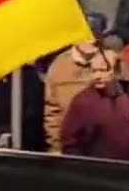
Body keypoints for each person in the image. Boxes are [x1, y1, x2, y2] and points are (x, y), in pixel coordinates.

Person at [59, 49, 129, 161]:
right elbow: (69, 142)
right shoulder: (83, 101)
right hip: (96, 170)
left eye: (103, 70)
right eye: (94, 71)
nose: (97, 76)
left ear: (116, 71)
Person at [44, 14, 109, 153]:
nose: (92, 41)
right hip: (69, 147)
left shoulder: (112, 63)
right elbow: (52, 113)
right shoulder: (59, 67)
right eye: (87, 36)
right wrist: (56, 148)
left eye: (96, 35)